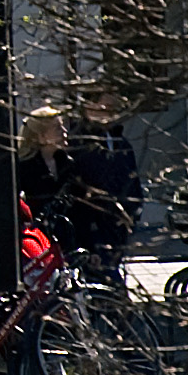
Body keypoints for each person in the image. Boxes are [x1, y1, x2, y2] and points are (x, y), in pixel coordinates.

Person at [67, 96, 145, 260]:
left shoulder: (121, 144)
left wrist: (133, 214)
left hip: (117, 232)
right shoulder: (76, 143)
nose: (110, 114)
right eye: (104, 108)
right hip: (90, 231)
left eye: (114, 109)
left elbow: (132, 182)